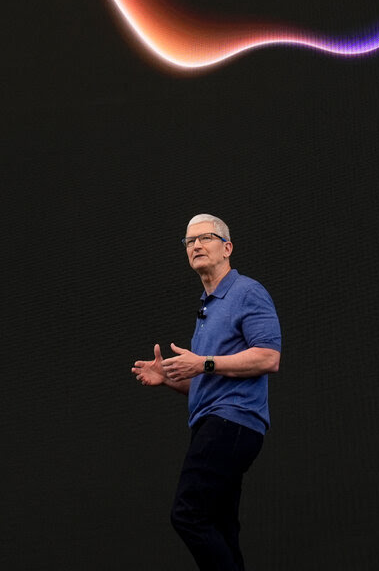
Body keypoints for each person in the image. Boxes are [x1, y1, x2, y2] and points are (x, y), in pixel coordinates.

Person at [132, 213, 281, 570]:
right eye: (189, 241)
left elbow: (268, 356)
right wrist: (170, 378)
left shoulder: (247, 292)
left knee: (188, 514)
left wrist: (203, 364)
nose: (196, 245)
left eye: (206, 238)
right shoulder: (207, 305)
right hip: (216, 421)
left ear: (227, 248)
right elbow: (209, 377)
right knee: (220, 525)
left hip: (232, 422)